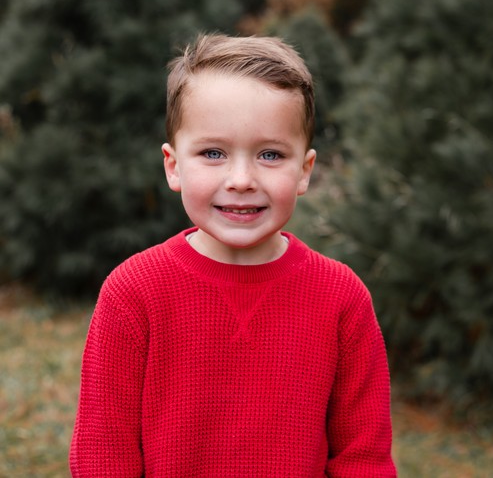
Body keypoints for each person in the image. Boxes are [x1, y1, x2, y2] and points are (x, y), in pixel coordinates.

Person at [70, 33, 396, 477]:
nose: (241, 179)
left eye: (270, 154)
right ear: (173, 166)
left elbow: (363, 458)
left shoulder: (341, 297)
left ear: (305, 171)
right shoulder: (133, 292)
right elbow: (104, 452)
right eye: (213, 153)